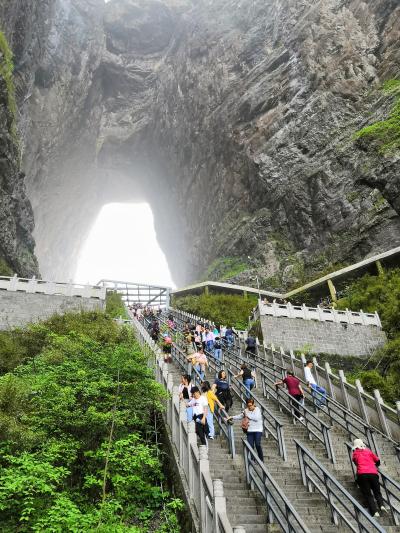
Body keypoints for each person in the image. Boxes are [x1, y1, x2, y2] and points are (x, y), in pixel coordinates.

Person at [352, 439, 387, 517]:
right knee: (377, 492)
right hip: (373, 474)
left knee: (368, 494)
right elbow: (377, 460)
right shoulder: (368, 451)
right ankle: (381, 505)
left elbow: (355, 462)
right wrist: (375, 464)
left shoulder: (355, 453)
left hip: (362, 475)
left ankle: (375, 512)